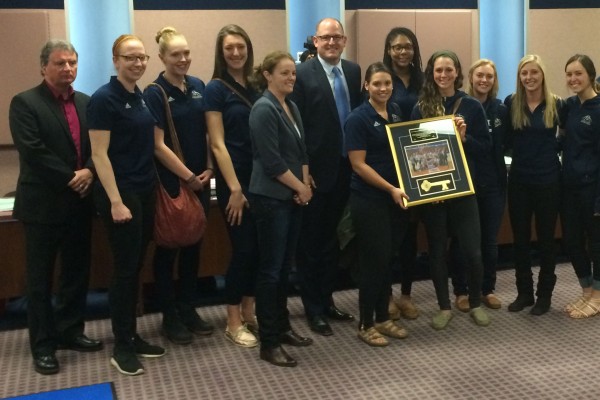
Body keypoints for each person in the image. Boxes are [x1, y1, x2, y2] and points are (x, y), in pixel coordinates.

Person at [88, 34, 204, 376]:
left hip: (144, 191)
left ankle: (133, 336)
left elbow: (155, 146)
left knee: (136, 266)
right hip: (120, 195)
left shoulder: (139, 97)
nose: (137, 64)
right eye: (129, 58)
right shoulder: (103, 99)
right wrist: (115, 201)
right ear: (115, 59)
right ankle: (122, 346)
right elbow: (98, 155)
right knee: (125, 270)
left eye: (141, 58)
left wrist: (185, 177)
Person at [9, 39, 103, 375]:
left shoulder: (86, 102)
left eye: (72, 63)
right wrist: (73, 177)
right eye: (61, 63)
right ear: (43, 67)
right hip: (43, 206)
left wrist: (90, 170)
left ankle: (70, 331)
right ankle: (44, 346)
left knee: (76, 274)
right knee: (40, 280)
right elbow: (33, 151)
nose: (68, 69)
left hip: (80, 203)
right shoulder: (24, 102)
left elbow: (100, 146)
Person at [144, 27, 215, 345]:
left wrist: (210, 168)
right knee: (168, 251)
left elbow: (209, 133)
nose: (183, 59)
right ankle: (169, 316)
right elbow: (157, 145)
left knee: (193, 248)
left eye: (186, 53)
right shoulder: (154, 92)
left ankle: (189, 309)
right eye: (176, 54)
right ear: (162, 57)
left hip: (201, 181)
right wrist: (187, 176)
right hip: (173, 184)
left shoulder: (199, 86)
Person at [291, 17, 362, 336]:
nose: (332, 43)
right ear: (315, 41)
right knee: (312, 244)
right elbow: (298, 128)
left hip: (349, 169)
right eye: (326, 38)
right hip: (317, 175)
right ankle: (313, 308)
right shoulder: (302, 75)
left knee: (334, 242)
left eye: (337, 38)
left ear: (344, 41)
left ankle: (328, 299)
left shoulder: (353, 71)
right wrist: (304, 172)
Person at [411, 50, 491, 330]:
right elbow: (411, 151)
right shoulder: (421, 106)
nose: (443, 75)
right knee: (436, 251)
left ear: (457, 72)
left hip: (464, 189)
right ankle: (444, 307)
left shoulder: (471, 106)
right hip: (434, 192)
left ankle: (476, 302)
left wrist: (465, 139)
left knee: (473, 251)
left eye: (448, 70)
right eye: (438, 70)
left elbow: (485, 148)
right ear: (431, 73)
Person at [248, 50, 314, 367]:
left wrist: (305, 184)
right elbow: (272, 162)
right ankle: (269, 341)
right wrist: (299, 187)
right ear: (268, 75)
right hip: (271, 199)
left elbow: (301, 152)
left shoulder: (292, 107)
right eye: (284, 73)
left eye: (293, 73)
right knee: (271, 272)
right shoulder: (263, 109)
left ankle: (283, 327)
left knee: (285, 269)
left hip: (292, 197)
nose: (290, 78)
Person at [345, 62, 409, 346]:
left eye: (387, 84)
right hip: (369, 199)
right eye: (377, 84)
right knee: (373, 262)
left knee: (388, 260)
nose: (383, 89)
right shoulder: (357, 119)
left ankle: (383, 317)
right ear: (367, 87)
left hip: (395, 199)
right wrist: (391, 188)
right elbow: (358, 165)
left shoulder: (395, 112)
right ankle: (365, 322)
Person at [205, 24, 260, 348]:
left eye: (241, 46)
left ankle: (250, 311)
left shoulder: (255, 84)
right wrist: (235, 188)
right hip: (234, 182)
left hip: (261, 179)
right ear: (221, 52)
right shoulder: (216, 88)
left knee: (258, 249)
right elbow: (217, 144)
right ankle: (232, 319)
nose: (236, 53)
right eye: (230, 48)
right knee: (243, 250)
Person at [504, 54, 565, 315]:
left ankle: (544, 295)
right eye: (524, 73)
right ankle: (524, 293)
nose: (529, 77)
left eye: (534, 73)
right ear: (519, 77)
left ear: (542, 75)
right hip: (519, 180)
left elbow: (567, 138)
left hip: (549, 180)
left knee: (546, 240)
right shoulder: (511, 103)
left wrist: (551, 149)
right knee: (520, 239)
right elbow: (506, 139)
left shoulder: (557, 104)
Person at [450, 59, 509, 311]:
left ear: (494, 81)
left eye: (489, 76)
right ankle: (461, 291)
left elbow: (500, 146)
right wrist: (467, 141)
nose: (484, 80)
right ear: (471, 78)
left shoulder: (501, 110)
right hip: (465, 183)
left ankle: (487, 289)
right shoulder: (461, 106)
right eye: (479, 76)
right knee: (462, 241)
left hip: (493, 182)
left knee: (489, 242)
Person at [381, 26, 424, 320]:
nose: (402, 52)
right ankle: (386, 296)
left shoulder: (423, 80)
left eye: (407, 46)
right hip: (387, 167)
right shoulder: (381, 79)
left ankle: (406, 295)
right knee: (387, 237)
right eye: (397, 47)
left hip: (419, 165)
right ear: (388, 50)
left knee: (410, 236)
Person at [560, 54, 600, 318]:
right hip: (569, 187)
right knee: (572, 241)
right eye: (569, 74)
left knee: (596, 244)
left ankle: (597, 295)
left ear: (591, 76)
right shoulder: (569, 106)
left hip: (593, 188)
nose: (573, 79)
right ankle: (586, 290)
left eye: (578, 74)